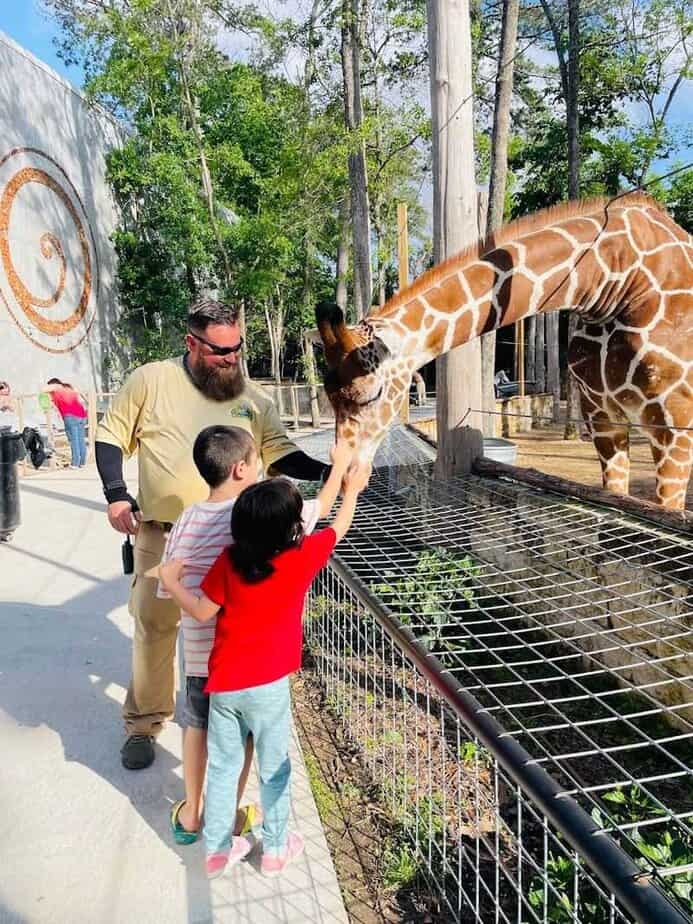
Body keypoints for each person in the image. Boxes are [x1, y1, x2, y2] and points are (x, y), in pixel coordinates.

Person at [95, 297, 331, 771]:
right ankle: (144, 723)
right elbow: (110, 436)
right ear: (192, 342)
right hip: (165, 537)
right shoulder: (151, 380)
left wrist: (331, 472)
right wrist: (117, 494)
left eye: (236, 348)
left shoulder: (253, 397)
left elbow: (281, 454)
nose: (231, 359)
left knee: (228, 638)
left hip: (235, 541)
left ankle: (223, 726)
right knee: (154, 628)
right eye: (220, 350)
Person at [159, 457, 371, 879]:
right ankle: (274, 849)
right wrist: (350, 491)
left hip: (224, 686)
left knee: (223, 768)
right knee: (274, 769)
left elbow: (201, 610)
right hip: (270, 687)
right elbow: (338, 527)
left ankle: (217, 851)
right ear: (293, 528)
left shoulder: (229, 561)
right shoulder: (301, 556)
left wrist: (171, 582)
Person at [45, 378, 88, 467]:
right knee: (81, 439)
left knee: (73, 440)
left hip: (71, 416)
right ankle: (82, 462)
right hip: (82, 415)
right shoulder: (69, 388)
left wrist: (51, 388)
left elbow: (43, 389)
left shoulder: (57, 388)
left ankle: (75, 463)